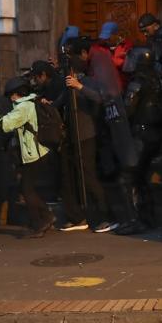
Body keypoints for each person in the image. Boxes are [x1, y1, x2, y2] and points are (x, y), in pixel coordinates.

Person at [55, 37, 118, 233]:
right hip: (73, 136)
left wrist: (79, 87)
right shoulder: (69, 84)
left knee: (89, 176)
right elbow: (61, 102)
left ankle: (105, 216)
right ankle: (79, 216)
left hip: (87, 135)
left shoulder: (89, 81)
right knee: (74, 177)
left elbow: (100, 99)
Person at [0, 77, 55, 237]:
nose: (10, 98)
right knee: (26, 188)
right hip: (37, 152)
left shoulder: (23, 107)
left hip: (32, 154)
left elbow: (5, 124)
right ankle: (46, 216)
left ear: (17, 93)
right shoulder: (31, 103)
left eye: (11, 95)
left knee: (26, 189)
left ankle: (39, 224)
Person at [114, 46, 162, 235]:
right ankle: (148, 217)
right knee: (143, 177)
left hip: (141, 134)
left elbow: (128, 109)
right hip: (155, 134)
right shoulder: (158, 79)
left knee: (126, 178)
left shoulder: (137, 83)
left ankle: (134, 219)